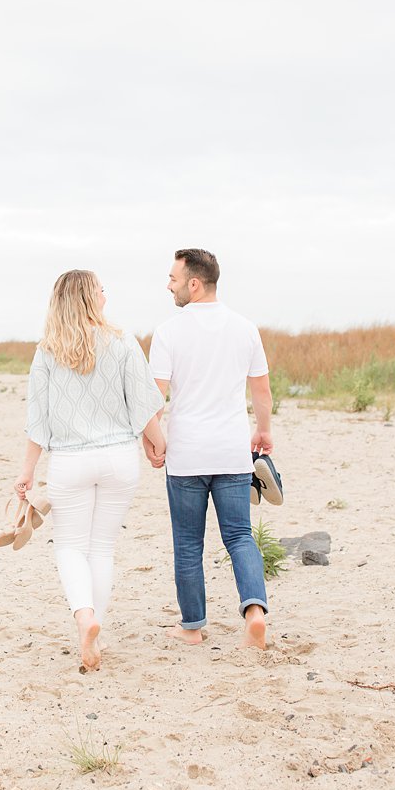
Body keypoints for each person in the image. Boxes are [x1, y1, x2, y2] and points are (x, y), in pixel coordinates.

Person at [15, 269, 167, 672]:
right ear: (87, 297)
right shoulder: (122, 341)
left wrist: (28, 471)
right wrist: (158, 443)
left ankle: (85, 618)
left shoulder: (47, 350)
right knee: (101, 547)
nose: (105, 293)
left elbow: (38, 419)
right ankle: (94, 623)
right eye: (100, 288)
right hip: (119, 458)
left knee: (70, 547)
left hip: (70, 461)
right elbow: (142, 404)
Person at [148, 248, 273, 650]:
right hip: (232, 449)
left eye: (173, 278)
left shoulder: (169, 332)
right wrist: (263, 432)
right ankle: (254, 612)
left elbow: (156, 399)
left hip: (187, 454)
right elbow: (262, 391)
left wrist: (152, 440)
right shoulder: (245, 328)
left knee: (188, 542)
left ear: (194, 283)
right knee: (239, 536)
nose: (169, 285)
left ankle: (192, 627)